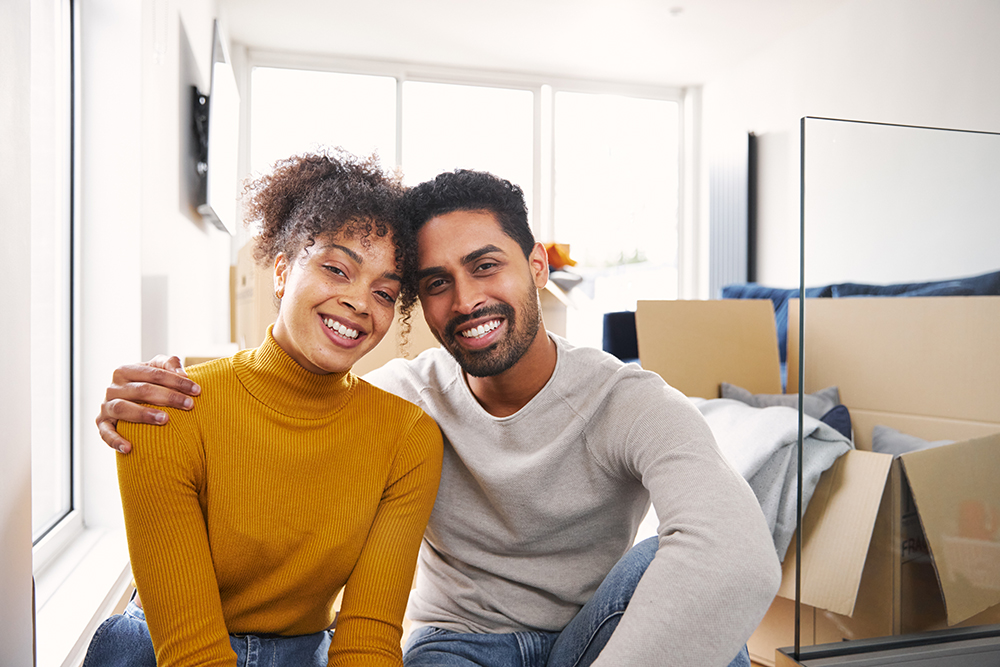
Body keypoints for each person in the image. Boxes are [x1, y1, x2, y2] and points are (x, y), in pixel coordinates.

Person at [97, 170, 782, 667]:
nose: (467, 299)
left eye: (487, 266)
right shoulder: (403, 401)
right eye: (435, 283)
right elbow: (286, 391)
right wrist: (158, 385)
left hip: (588, 636)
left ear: (538, 266)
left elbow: (739, 556)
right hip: (454, 646)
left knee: (694, 595)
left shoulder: (624, 399)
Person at [85, 150, 443, 667]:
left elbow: (366, 640)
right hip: (161, 650)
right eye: (337, 269)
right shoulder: (167, 411)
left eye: (384, 293)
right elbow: (191, 652)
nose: (360, 303)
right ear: (281, 270)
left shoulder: (407, 437)